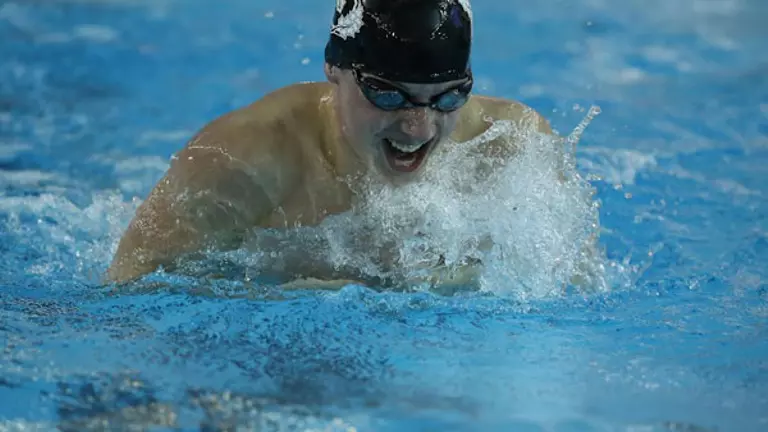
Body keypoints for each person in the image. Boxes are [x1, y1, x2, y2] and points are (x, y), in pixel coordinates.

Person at [106, 0, 556, 287]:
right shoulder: (242, 160)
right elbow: (130, 292)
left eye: (448, 97)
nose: (418, 129)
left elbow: (573, 291)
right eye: (387, 94)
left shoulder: (510, 147)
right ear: (333, 70)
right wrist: (299, 294)